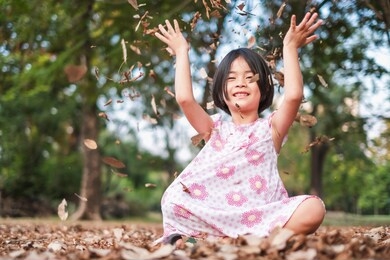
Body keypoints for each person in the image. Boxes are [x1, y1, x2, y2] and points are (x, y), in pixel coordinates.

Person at [154, 12, 325, 245]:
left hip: (259, 218)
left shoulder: (272, 129)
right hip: (214, 213)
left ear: (264, 89)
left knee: (314, 208)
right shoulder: (213, 129)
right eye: (232, 78)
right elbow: (185, 99)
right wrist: (182, 51)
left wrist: (290, 46)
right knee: (173, 199)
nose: (240, 83)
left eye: (249, 77)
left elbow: (294, 96)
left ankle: (228, 242)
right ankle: (200, 238)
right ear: (222, 92)